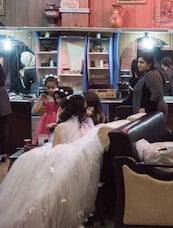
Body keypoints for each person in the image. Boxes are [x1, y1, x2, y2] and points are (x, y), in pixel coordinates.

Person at [0, 95, 102, 227]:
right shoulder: (87, 124)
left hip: (60, 157)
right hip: (77, 161)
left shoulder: (62, 127)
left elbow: (55, 149)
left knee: (27, 162)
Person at [132, 51, 167, 117]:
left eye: (142, 62)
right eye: (138, 62)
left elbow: (156, 94)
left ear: (149, 64)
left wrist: (147, 110)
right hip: (154, 111)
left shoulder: (151, 75)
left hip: (152, 112)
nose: (138, 65)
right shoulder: (152, 73)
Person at [31, 75, 59, 144]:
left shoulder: (60, 97)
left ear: (57, 87)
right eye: (48, 87)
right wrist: (39, 100)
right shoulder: (44, 97)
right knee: (44, 139)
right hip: (46, 120)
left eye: (53, 87)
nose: (50, 90)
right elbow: (33, 111)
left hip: (58, 119)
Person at [0, 63, 11, 162]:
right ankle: (3, 153)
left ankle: (2, 153)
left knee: (3, 131)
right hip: (4, 107)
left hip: (2, 107)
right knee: (3, 130)